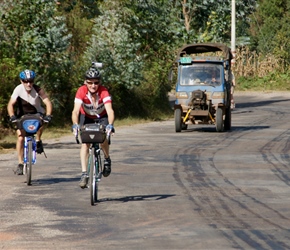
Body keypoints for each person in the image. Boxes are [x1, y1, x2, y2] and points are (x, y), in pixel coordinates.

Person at [71, 66, 115, 189]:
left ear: (99, 83)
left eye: (96, 82)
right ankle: (84, 173)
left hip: (102, 116)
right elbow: (75, 111)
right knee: (85, 143)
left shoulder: (104, 91)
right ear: (86, 82)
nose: (93, 85)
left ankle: (107, 159)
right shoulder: (81, 91)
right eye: (90, 82)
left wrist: (110, 125)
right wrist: (75, 124)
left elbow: (110, 111)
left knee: (104, 138)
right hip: (86, 117)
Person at [7, 69, 53, 175]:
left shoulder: (37, 89)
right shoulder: (18, 89)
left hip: (37, 113)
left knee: (42, 122)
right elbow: (10, 104)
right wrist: (12, 116)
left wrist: (48, 115)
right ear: (21, 81)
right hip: (22, 115)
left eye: (31, 81)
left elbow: (48, 103)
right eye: (25, 81)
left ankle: (38, 140)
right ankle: (20, 163)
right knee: (20, 137)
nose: (29, 84)